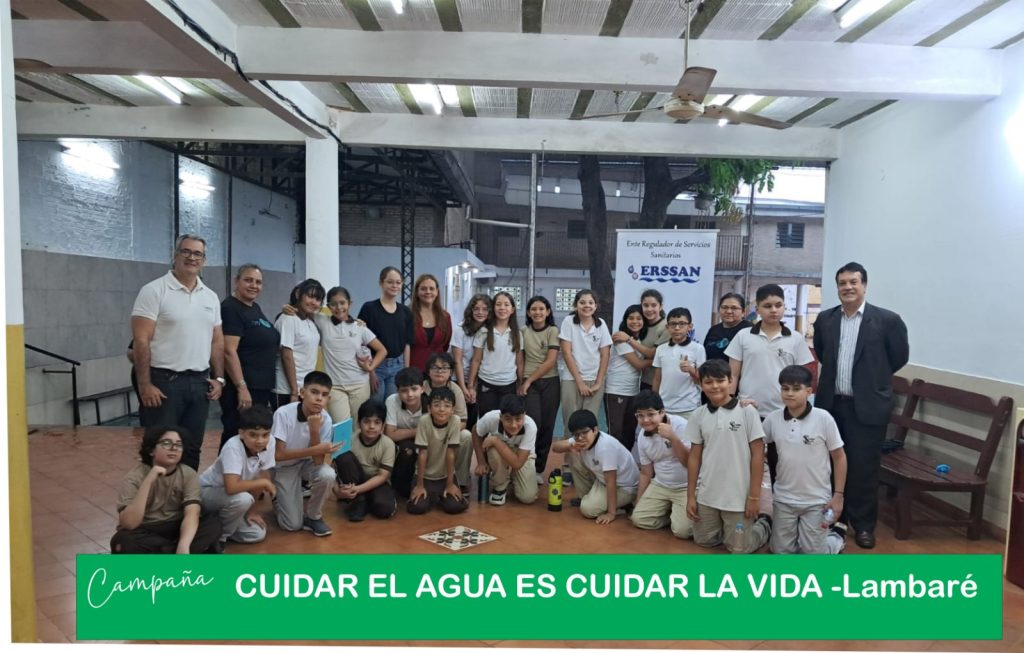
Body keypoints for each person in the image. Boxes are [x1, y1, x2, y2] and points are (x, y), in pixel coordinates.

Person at [812, 261, 909, 550]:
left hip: (867, 406)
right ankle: (834, 519)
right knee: (829, 464)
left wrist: (872, 380)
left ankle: (864, 525)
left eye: (853, 282)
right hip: (832, 405)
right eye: (842, 283)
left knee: (864, 468)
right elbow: (822, 353)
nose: (848, 287)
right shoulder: (826, 320)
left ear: (864, 285)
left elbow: (898, 357)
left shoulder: (887, 321)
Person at [131, 234, 225, 470]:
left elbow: (217, 342)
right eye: (186, 251)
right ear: (175, 255)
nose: (192, 257)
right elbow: (141, 340)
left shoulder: (210, 297)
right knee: (161, 448)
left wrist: (219, 378)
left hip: (200, 383)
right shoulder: (154, 290)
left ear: (204, 260)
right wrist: (145, 384)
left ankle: (187, 492)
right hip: (164, 384)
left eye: (197, 254)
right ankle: (157, 492)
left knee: (192, 447)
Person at [685, 360, 772, 554]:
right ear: (701, 384)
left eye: (720, 380)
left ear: (731, 381)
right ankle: (728, 529)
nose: (715, 386)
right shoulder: (698, 415)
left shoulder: (747, 411)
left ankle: (764, 524)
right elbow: (694, 458)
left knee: (739, 549)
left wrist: (754, 496)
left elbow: (758, 455)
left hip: (738, 497)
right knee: (704, 541)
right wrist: (691, 496)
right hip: (708, 494)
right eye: (708, 382)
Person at [763, 365, 848, 555]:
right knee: (780, 552)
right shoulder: (773, 419)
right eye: (785, 388)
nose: (790, 393)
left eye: (796, 388)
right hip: (784, 498)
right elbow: (756, 445)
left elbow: (840, 457)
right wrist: (746, 410)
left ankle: (836, 537)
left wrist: (838, 496)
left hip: (817, 500)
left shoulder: (823, 418)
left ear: (809, 391)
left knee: (813, 554)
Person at [110, 425, 222, 554]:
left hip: (177, 526)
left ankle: (166, 555)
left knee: (213, 525)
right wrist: (148, 481)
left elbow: (192, 512)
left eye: (178, 445)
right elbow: (130, 524)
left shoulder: (188, 474)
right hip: (146, 529)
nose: (174, 448)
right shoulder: (134, 477)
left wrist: (184, 544)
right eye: (166, 443)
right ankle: (176, 555)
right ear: (151, 450)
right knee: (122, 541)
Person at [725, 284, 814, 419]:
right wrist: (730, 403)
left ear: (784, 307)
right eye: (767, 306)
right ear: (757, 309)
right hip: (747, 408)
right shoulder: (743, 336)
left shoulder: (796, 338)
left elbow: (802, 378)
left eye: (778, 305)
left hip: (784, 411)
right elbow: (733, 375)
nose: (773, 310)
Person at [270, 370, 342, 537]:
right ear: (302, 393)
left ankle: (313, 516)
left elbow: (318, 462)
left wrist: (314, 431)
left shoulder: (326, 419)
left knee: (327, 474)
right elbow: (278, 455)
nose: (319, 398)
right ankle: (278, 499)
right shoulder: (283, 414)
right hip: (283, 467)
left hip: (306, 464)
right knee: (292, 525)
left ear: (328, 399)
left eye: (324, 395)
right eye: (314, 392)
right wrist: (314, 449)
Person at [219, 264, 280, 449]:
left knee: (253, 438)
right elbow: (228, 351)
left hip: (261, 386)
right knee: (236, 435)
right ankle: (228, 468)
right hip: (243, 387)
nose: (254, 285)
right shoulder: (231, 308)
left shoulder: (254, 307)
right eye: (248, 280)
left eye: (258, 282)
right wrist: (242, 387)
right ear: (236, 281)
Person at [199, 405, 276, 545]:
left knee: (256, 534)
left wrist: (252, 511)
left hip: (232, 498)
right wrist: (264, 482)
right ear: (241, 433)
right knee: (243, 499)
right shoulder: (232, 447)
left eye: (265, 435)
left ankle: (212, 523)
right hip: (208, 492)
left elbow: (262, 474)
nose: (260, 440)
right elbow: (231, 487)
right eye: (253, 435)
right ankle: (219, 538)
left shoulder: (271, 442)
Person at [552, 409, 639, 525]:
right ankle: (593, 498)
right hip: (602, 480)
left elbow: (611, 482)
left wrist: (611, 513)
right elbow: (555, 447)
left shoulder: (605, 447)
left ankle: (622, 505)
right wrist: (570, 446)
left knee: (588, 510)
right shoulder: (580, 439)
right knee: (574, 458)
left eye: (584, 433)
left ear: (595, 430)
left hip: (624, 486)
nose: (581, 438)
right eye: (576, 435)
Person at [316, 286, 387, 426]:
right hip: (335, 386)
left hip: (360, 385)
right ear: (328, 306)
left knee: (359, 427)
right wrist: (288, 308)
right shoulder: (322, 321)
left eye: (342, 303)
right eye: (334, 304)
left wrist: (370, 368)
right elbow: (304, 309)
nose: (339, 307)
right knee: (341, 427)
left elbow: (382, 350)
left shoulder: (359, 327)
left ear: (350, 303)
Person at [629, 390, 693, 540]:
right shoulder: (642, 436)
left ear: (662, 412)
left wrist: (673, 438)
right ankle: (671, 515)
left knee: (682, 532)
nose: (645, 420)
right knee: (638, 519)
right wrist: (638, 503)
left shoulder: (681, 425)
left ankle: (677, 515)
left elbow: (689, 463)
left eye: (650, 414)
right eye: (640, 415)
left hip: (686, 486)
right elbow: (646, 472)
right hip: (661, 484)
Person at [332, 398, 398, 522]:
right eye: (366, 421)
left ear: (383, 426)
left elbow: (383, 476)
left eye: (377, 422)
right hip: (354, 480)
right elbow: (333, 469)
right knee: (344, 457)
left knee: (384, 510)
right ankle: (359, 500)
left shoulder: (388, 444)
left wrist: (358, 489)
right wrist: (337, 491)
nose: (371, 426)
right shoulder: (348, 439)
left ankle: (363, 498)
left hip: (376, 482)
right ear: (358, 423)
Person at [407, 386, 470, 515]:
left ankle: (440, 495)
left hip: (445, 476)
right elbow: (422, 453)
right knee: (417, 508)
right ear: (429, 408)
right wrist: (420, 485)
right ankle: (431, 496)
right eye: (436, 405)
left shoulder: (455, 421)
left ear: (453, 409)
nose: (442, 409)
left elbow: (451, 453)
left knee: (455, 507)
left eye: (447, 406)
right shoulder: (424, 421)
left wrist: (450, 483)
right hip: (425, 476)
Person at [558, 289, 612, 435]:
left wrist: (599, 382)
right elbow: (567, 353)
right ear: (576, 305)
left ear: (595, 306)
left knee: (590, 423)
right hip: (572, 379)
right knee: (571, 421)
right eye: (582, 302)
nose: (587, 306)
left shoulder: (601, 324)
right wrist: (580, 382)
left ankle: (589, 451)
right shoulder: (569, 321)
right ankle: (570, 451)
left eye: (590, 302)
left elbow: (605, 354)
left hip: (595, 380)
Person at [518, 295, 561, 476]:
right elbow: (520, 359)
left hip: (550, 382)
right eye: (533, 309)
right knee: (532, 424)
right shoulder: (523, 331)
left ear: (548, 311)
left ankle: (538, 470)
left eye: (541, 309)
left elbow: (551, 361)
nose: (537, 312)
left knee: (547, 426)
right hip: (530, 385)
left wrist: (529, 380)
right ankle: (526, 465)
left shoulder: (553, 331)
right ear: (528, 312)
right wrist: (522, 381)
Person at [359, 266, 414, 403]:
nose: (394, 285)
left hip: (397, 366)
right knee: (375, 405)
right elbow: (362, 343)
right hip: (376, 365)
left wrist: (405, 371)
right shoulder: (369, 308)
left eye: (398, 282)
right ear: (381, 283)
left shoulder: (406, 311)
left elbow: (407, 344)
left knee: (392, 405)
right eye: (390, 282)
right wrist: (370, 371)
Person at [472, 395, 538, 506]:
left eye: (518, 419)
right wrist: (481, 461)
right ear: (500, 417)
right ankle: (500, 485)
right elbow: (475, 431)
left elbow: (517, 463)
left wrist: (495, 441)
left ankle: (512, 475)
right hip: (498, 453)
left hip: (522, 456)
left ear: (524, 415)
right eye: (508, 419)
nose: (513, 425)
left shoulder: (530, 427)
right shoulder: (491, 417)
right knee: (494, 451)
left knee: (528, 497)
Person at [424, 351, 473, 492]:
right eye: (435, 367)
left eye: (444, 368)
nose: (439, 371)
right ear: (428, 371)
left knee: (466, 436)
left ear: (451, 372)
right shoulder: (420, 388)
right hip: (426, 432)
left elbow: (463, 421)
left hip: (449, 432)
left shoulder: (456, 390)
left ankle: (461, 481)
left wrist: (446, 432)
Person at [273, 278, 325, 407]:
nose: (314, 302)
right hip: (286, 390)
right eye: (310, 296)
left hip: (304, 388)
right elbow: (286, 355)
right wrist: (294, 391)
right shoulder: (288, 319)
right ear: (298, 294)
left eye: (318, 299)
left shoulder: (310, 320)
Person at [468, 291, 521, 416]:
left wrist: (520, 384)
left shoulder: (517, 333)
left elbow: (520, 361)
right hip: (486, 383)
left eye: (506, 304)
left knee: (506, 420)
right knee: (487, 419)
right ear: (493, 308)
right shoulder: (484, 331)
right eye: (498, 304)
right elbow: (476, 360)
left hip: (509, 384)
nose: (502, 308)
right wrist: (471, 385)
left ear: (512, 310)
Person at [604, 304, 648, 451]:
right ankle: (612, 463)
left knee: (629, 432)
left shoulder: (638, 340)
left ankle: (625, 463)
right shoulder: (620, 338)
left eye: (639, 318)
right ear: (625, 320)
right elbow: (639, 365)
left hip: (633, 392)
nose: (635, 321)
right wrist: (659, 358)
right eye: (631, 318)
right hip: (615, 391)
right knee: (615, 432)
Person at [652, 307, 705, 419]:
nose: (677, 328)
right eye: (673, 324)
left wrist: (690, 369)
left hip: (689, 407)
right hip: (664, 406)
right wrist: (654, 402)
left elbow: (702, 380)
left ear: (690, 326)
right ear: (667, 327)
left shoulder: (698, 348)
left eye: (682, 324)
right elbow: (657, 378)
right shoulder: (660, 349)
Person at [384, 366, 428, 498]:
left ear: (422, 388)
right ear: (397, 391)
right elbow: (390, 434)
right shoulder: (392, 400)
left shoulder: (430, 402)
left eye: (414, 389)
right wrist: (419, 430)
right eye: (404, 390)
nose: (410, 394)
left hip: (426, 441)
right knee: (407, 450)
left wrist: (402, 432)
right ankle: (400, 489)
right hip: (402, 443)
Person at [451, 293, 490, 430]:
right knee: (459, 418)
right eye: (476, 309)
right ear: (470, 310)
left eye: (485, 309)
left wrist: (473, 386)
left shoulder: (490, 330)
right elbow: (457, 361)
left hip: (480, 379)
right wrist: (463, 387)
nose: (480, 312)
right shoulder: (460, 329)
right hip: (459, 378)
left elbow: (482, 361)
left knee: (473, 419)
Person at [409, 273, 452, 373]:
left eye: (431, 289)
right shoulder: (407, 315)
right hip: (413, 371)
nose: (428, 292)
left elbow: (446, 344)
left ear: (437, 292)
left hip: (438, 371)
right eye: (423, 289)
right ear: (417, 292)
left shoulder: (445, 317)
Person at [633, 289, 669, 390]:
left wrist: (629, 340)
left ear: (660, 306)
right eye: (645, 305)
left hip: (661, 383)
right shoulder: (640, 325)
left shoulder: (666, 327)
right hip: (644, 381)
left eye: (654, 305)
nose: (649, 309)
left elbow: (653, 354)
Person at [703, 292, 752, 362]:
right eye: (724, 307)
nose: (729, 311)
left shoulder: (749, 330)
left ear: (743, 312)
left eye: (734, 308)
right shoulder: (713, 330)